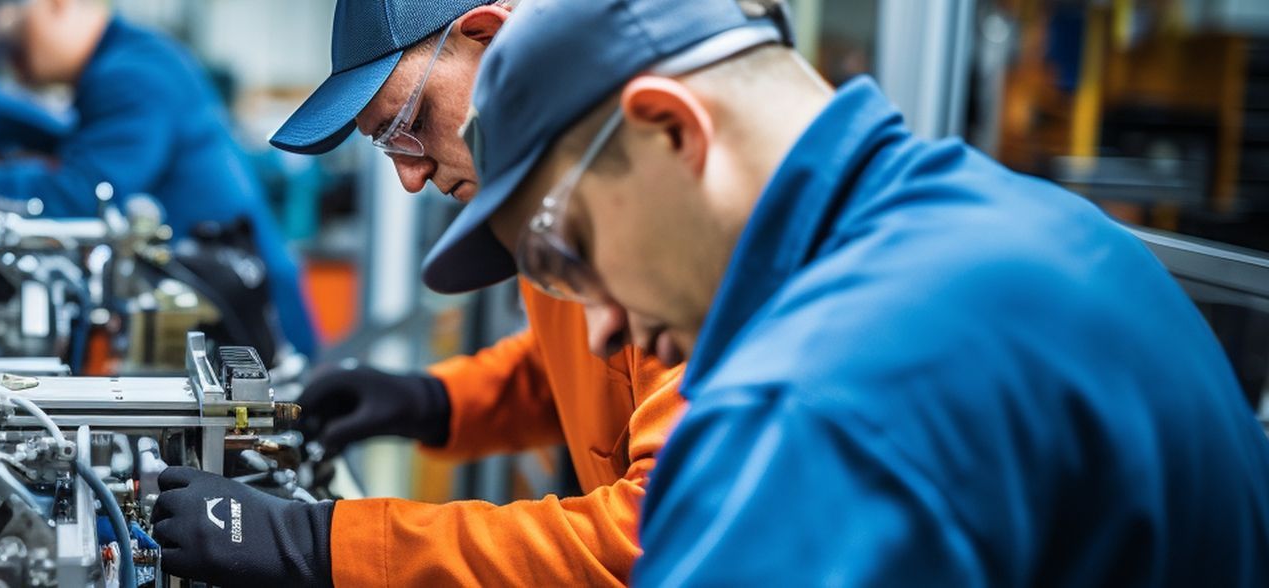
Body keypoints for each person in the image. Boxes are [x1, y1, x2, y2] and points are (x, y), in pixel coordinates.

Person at [442, 0, 1269, 584]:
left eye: (570, 250)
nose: (597, 331)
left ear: (672, 129)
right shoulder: (1031, 223)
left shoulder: (819, 402)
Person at [148, 1, 689, 585]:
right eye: (388, 147)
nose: (410, 179)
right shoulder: (554, 194)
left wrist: (323, 543)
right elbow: (591, 361)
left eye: (410, 122)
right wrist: (432, 401)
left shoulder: (675, 208)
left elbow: (658, 532)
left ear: (488, 38)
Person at [0, 0, 320, 360]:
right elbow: (71, 144)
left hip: (250, 321)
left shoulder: (133, 75)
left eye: (6, 19)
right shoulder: (130, 57)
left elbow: (79, 193)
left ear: (58, 3)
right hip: (225, 299)